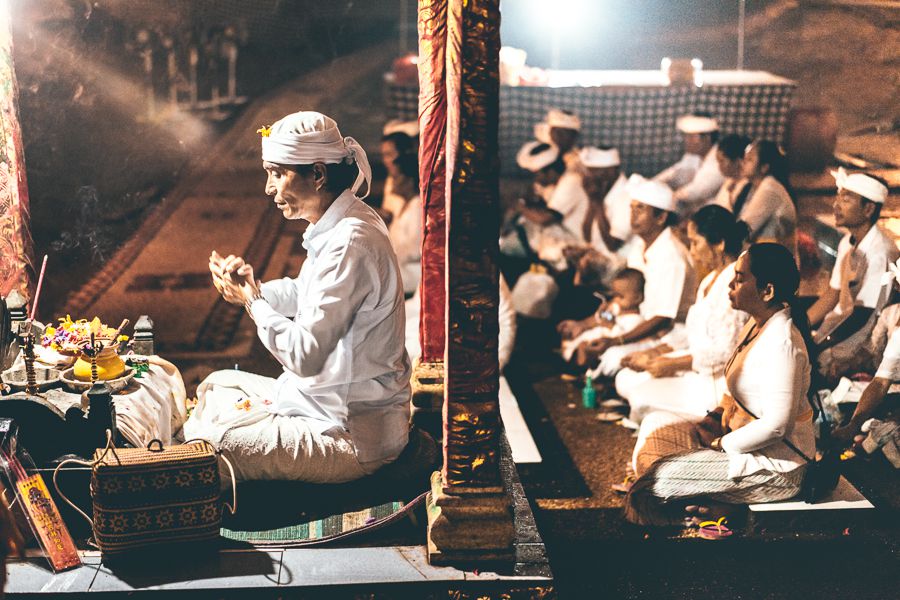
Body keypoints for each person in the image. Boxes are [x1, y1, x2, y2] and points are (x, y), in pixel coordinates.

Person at [186, 111, 411, 483]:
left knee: (206, 446)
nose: (268, 188)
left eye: (277, 173)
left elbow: (304, 356)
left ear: (318, 174)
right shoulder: (344, 220)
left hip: (350, 433)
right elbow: (305, 291)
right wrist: (252, 288)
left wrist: (252, 302)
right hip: (323, 405)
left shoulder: (350, 241)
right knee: (216, 383)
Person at [625, 243, 815, 526]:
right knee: (655, 421)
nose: (730, 284)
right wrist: (717, 420)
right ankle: (713, 500)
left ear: (768, 291)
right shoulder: (756, 324)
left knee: (654, 486)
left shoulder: (782, 344)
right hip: (741, 444)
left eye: (739, 279)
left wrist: (722, 444)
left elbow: (777, 425)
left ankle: (728, 508)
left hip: (778, 469)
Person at [615, 205, 750, 427]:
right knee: (626, 379)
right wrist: (655, 353)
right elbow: (692, 335)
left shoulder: (734, 283)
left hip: (716, 385)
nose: (692, 251)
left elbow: (725, 352)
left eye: (695, 242)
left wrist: (671, 364)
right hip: (695, 372)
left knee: (640, 399)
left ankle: (698, 422)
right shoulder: (709, 280)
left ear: (720, 243)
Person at [570, 175, 696, 377]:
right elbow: (624, 297)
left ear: (661, 217)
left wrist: (615, 340)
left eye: (641, 209)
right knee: (582, 338)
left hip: (669, 334)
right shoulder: (639, 247)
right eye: (632, 208)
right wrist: (587, 324)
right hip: (634, 324)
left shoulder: (672, 256)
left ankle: (598, 382)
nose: (633, 215)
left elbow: (662, 319)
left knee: (611, 356)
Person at [807, 169, 896, 380]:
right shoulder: (846, 242)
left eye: (846, 200)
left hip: (864, 338)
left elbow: (863, 316)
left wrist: (820, 344)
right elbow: (833, 294)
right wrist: (800, 324)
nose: (836, 206)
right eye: (838, 198)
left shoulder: (880, 252)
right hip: (839, 328)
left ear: (868, 209)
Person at [561, 268, 645, 362]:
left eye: (620, 296)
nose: (616, 300)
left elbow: (622, 338)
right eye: (614, 295)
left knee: (582, 351)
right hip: (587, 338)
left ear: (637, 298)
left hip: (597, 349)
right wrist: (600, 313)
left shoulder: (636, 320)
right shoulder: (616, 309)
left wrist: (611, 326)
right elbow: (600, 319)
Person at [654, 113, 724, 216]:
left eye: (691, 137)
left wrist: (658, 195)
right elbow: (672, 173)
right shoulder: (692, 156)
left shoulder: (718, 162)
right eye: (686, 136)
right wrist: (650, 184)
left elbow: (693, 193)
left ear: (707, 138)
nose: (686, 140)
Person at [734, 140, 797, 254]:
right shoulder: (749, 186)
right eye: (744, 158)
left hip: (773, 262)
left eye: (749, 160)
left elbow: (745, 228)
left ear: (764, 167)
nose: (742, 163)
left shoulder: (770, 188)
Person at [385, 147, 422, 296]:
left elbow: (415, 248)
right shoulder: (402, 205)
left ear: (409, 180)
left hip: (411, 277)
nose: (392, 181)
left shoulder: (418, 206)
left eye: (396, 176)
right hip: (398, 270)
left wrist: (387, 256)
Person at [380, 120, 419, 223]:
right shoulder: (391, 181)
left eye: (389, 154)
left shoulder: (411, 182)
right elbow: (388, 215)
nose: (385, 161)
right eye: (384, 155)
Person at [711, 133, 751, 211]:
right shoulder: (729, 181)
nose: (719, 166)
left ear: (737, 161)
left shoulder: (747, 187)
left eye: (722, 161)